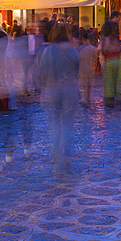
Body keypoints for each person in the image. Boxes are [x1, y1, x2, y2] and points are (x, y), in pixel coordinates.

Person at [37, 23, 80, 174]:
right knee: (67, 123)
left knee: (54, 124)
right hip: (69, 90)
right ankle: (66, 155)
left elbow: (42, 70)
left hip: (52, 90)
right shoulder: (73, 49)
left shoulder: (48, 50)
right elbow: (77, 69)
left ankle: (57, 157)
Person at [99, 11, 121, 110]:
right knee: (117, 80)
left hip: (109, 57)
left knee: (109, 80)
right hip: (116, 56)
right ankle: (118, 101)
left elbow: (103, 42)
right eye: (119, 18)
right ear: (115, 17)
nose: (119, 20)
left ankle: (110, 100)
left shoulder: (106, 26)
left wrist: (102, 54)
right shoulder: (114, 27)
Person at [78, 32, 98, 107]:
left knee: (84, 85)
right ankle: (87, 99)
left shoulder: (81, 49)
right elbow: (95, 58)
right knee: (88, 85)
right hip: (90, 68)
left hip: (83, 68)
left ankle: (86, 100)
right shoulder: (92, 48)